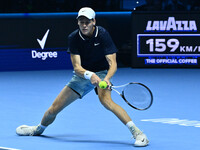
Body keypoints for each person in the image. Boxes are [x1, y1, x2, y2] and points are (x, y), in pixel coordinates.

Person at [16, 7, 149, 147]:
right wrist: (90, 75)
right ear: (78, 23)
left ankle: (139, 133)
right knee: (54, 108)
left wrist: (107, 78)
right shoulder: (73, 37)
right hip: (83, 74)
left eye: (87, 22)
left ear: (94, 22)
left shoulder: (102, 34)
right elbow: (77, 67)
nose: (84, 25)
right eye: (81, 22)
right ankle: (38, 129)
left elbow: (113, 63)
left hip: (102, 72)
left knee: (106, 101)